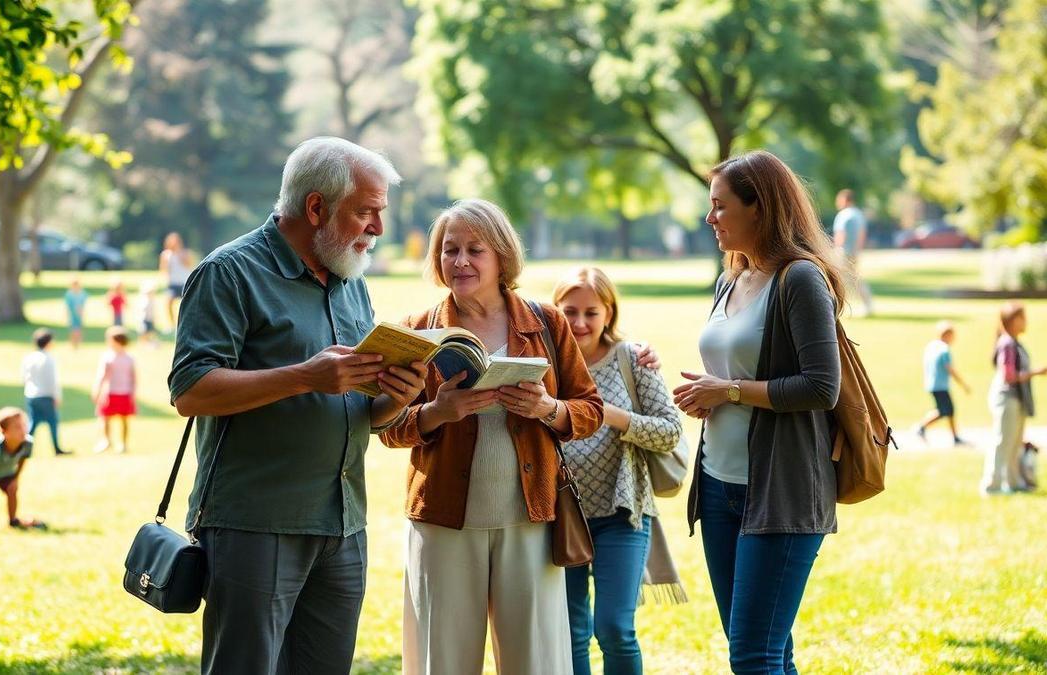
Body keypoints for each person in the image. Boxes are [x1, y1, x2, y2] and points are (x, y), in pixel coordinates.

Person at [169, 137, 423, 674]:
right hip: (257, 523)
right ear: (315, 208)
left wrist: (394, 398)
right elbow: (190, 390)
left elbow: (361, 410)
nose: (378, 228)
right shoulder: (229, 273)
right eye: (366, 212)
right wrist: (306, 377)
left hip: (343, 525)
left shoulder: (350, 279)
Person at [378, 199, 604, 675]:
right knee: (444, 660)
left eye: (474, 250)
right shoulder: (417, 331)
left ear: (502, 256)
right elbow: (386, 427)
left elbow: (591, 410)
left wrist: (548, 408)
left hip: (530, 516)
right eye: (449, 250)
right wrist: (436, 414)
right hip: (441, 520)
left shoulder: (546, 322)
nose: (459, 261)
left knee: (534, 662)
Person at [673, 150, 846, 673]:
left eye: (721, 206)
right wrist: (711, 395)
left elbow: (821, 387)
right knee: (768, 651)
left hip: (781, 491)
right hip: (719, 487)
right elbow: (735, 370)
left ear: (759, 208)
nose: (710, 219)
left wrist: (727, 391)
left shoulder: (800, 280)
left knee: (753, 655)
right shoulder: (731, 279)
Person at [553, 267, 685, 675]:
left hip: (622, 512)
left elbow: (670, 431)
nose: (579, 323)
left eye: (591, 313)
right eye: (569, 311)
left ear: (609, 313)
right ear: (555, 312)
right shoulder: (544, 363)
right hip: (561, 515)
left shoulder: (633, 359)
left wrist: (611, 416)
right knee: (570, 629)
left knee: (613, 627)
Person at [982, 302, 1047, 495]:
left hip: (1016, 399)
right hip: (1007, 398)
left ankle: (1012, 483)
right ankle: (991, 485)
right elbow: (1009, 375)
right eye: (1022, 318)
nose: (1025, 322)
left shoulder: (1014, 342)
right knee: (1003, 442)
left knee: (1014, 443)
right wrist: (1035, 372)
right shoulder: (1007, 343)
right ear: (1012, 321)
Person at [914, 321, 971, 446]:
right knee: (943, 410)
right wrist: (963, 384)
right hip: (940, 385)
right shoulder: (944, 349)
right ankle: (921, 427)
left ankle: (955, 436)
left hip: (931, 383)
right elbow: (950, 369)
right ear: (947, 335)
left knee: (949, 410)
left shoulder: (932, 346)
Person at [22, 328, 70, 455]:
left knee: (33, 423)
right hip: (45, 396)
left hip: (32, 395)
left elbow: (25, 377)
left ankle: (25, 449)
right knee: (53, 423)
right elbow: (52, 381)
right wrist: (56, 396)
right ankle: (56, 448)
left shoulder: (30, 358)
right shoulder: (48, 359)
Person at [92, 326, 136, 454]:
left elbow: (133, 377)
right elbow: (102, 376)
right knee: (105, 417)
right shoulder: (108, 357)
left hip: (125, 392)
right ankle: (106, 440)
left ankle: (123, 443)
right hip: (110, 392)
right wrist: (98, 390)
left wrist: (133, 392)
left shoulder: (129, 358)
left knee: (124, 419)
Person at [833, 189, 874, 316]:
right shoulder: (858, 214)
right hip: (854, 252)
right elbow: (862, 235)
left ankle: (836, 307)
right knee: (855, 279)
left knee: (839, 280)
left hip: (843, 252)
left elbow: (840, 235)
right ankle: (868, 305)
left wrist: (836, 250)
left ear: (845, 200)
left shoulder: (843, 215)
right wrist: (857, 250)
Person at [159, 231, 195, 332]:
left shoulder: (185, 252)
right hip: (172, 283)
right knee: (168, 302)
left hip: (184, 282)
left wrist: (179, 255)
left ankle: (187, 324)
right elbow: (163, 269)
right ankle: (171, 325)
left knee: (187, 304)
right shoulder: (166, 255)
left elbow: (189, 264)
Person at [64, 277, 88, 349]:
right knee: (73, 329)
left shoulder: (82, 293)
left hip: (79, 314)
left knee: (79, 328)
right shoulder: (69, 294)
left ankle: (78, 343)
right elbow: (68, 305)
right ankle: (73, 343)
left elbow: (83, 303)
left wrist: (82, 312)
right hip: (72, 314)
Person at [136, 281, 159, 348]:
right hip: (144, 319)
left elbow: (153, 311)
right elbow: (141, 310)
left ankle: (149, 342)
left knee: (150, 331)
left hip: (150, 318)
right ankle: (142, 342)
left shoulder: (152, 301)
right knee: (144, 331)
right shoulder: (144, 300)